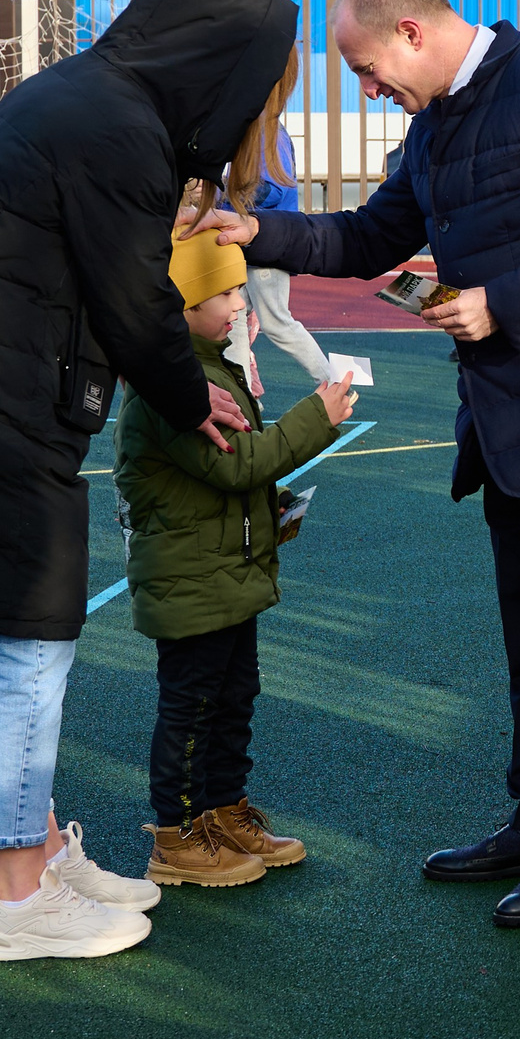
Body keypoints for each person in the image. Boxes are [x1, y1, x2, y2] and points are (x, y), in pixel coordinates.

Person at [187, 0, 520, 931]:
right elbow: (375, 233)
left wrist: (502, 301)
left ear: (413, 33)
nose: (365, 88)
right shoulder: (434, 127)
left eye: (366, 67)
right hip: (510, 420)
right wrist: (257, 231)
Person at [0, 0, 291, 963]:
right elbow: (135, 298)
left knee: (14, 632)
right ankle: (15, 895)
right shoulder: (115, 127)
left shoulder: (91, 98)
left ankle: (35, 846)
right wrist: (190, 399)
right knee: (30, 639)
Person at [116, 229, 357, 887]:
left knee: (232, 699)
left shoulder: (213, 364)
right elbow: (236, 462)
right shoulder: (172, 384)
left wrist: (272, 506)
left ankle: (223, 812)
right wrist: (317, 415)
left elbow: (237, 471)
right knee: (192, 708)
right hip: (191, 579)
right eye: (222, 291)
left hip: (228, 571)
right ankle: (176, 833)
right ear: (182, 304)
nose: (239, 302)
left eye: (237, 288)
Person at [231, 123, 332, 388]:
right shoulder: (258, 129)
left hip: (267, 242)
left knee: (277, 322)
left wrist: (223, 191)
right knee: (235, 319)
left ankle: (333, 384)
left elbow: (274, 188)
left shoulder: (266, 131)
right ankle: (242, 394)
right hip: (250, 241)